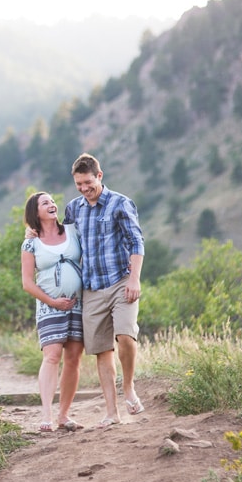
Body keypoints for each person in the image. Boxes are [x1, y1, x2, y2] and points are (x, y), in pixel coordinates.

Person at [64, 153, 145, 428]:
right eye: (78, 184)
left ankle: (129, 388)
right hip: (92, 288)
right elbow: (62, 240)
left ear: (99, 176)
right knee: (101, 350)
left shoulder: (120, 203)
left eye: (88, 182)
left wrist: (134, 279)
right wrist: (32, 233)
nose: (84, 188)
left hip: (121, 279)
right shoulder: (74, 208)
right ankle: (112, 413)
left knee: (125, 336)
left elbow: (136, 242)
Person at [21, 191, 84, 433]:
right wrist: (53, 302)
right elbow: (27, 283)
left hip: (78, 304)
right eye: (45, 203)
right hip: (49, 305)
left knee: (73, 357)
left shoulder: (72, 231)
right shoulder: (30, 243)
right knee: (52, 355)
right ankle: (46, 414)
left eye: (52, 201)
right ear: (35, 212)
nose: (52, 204)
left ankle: (64, 415)